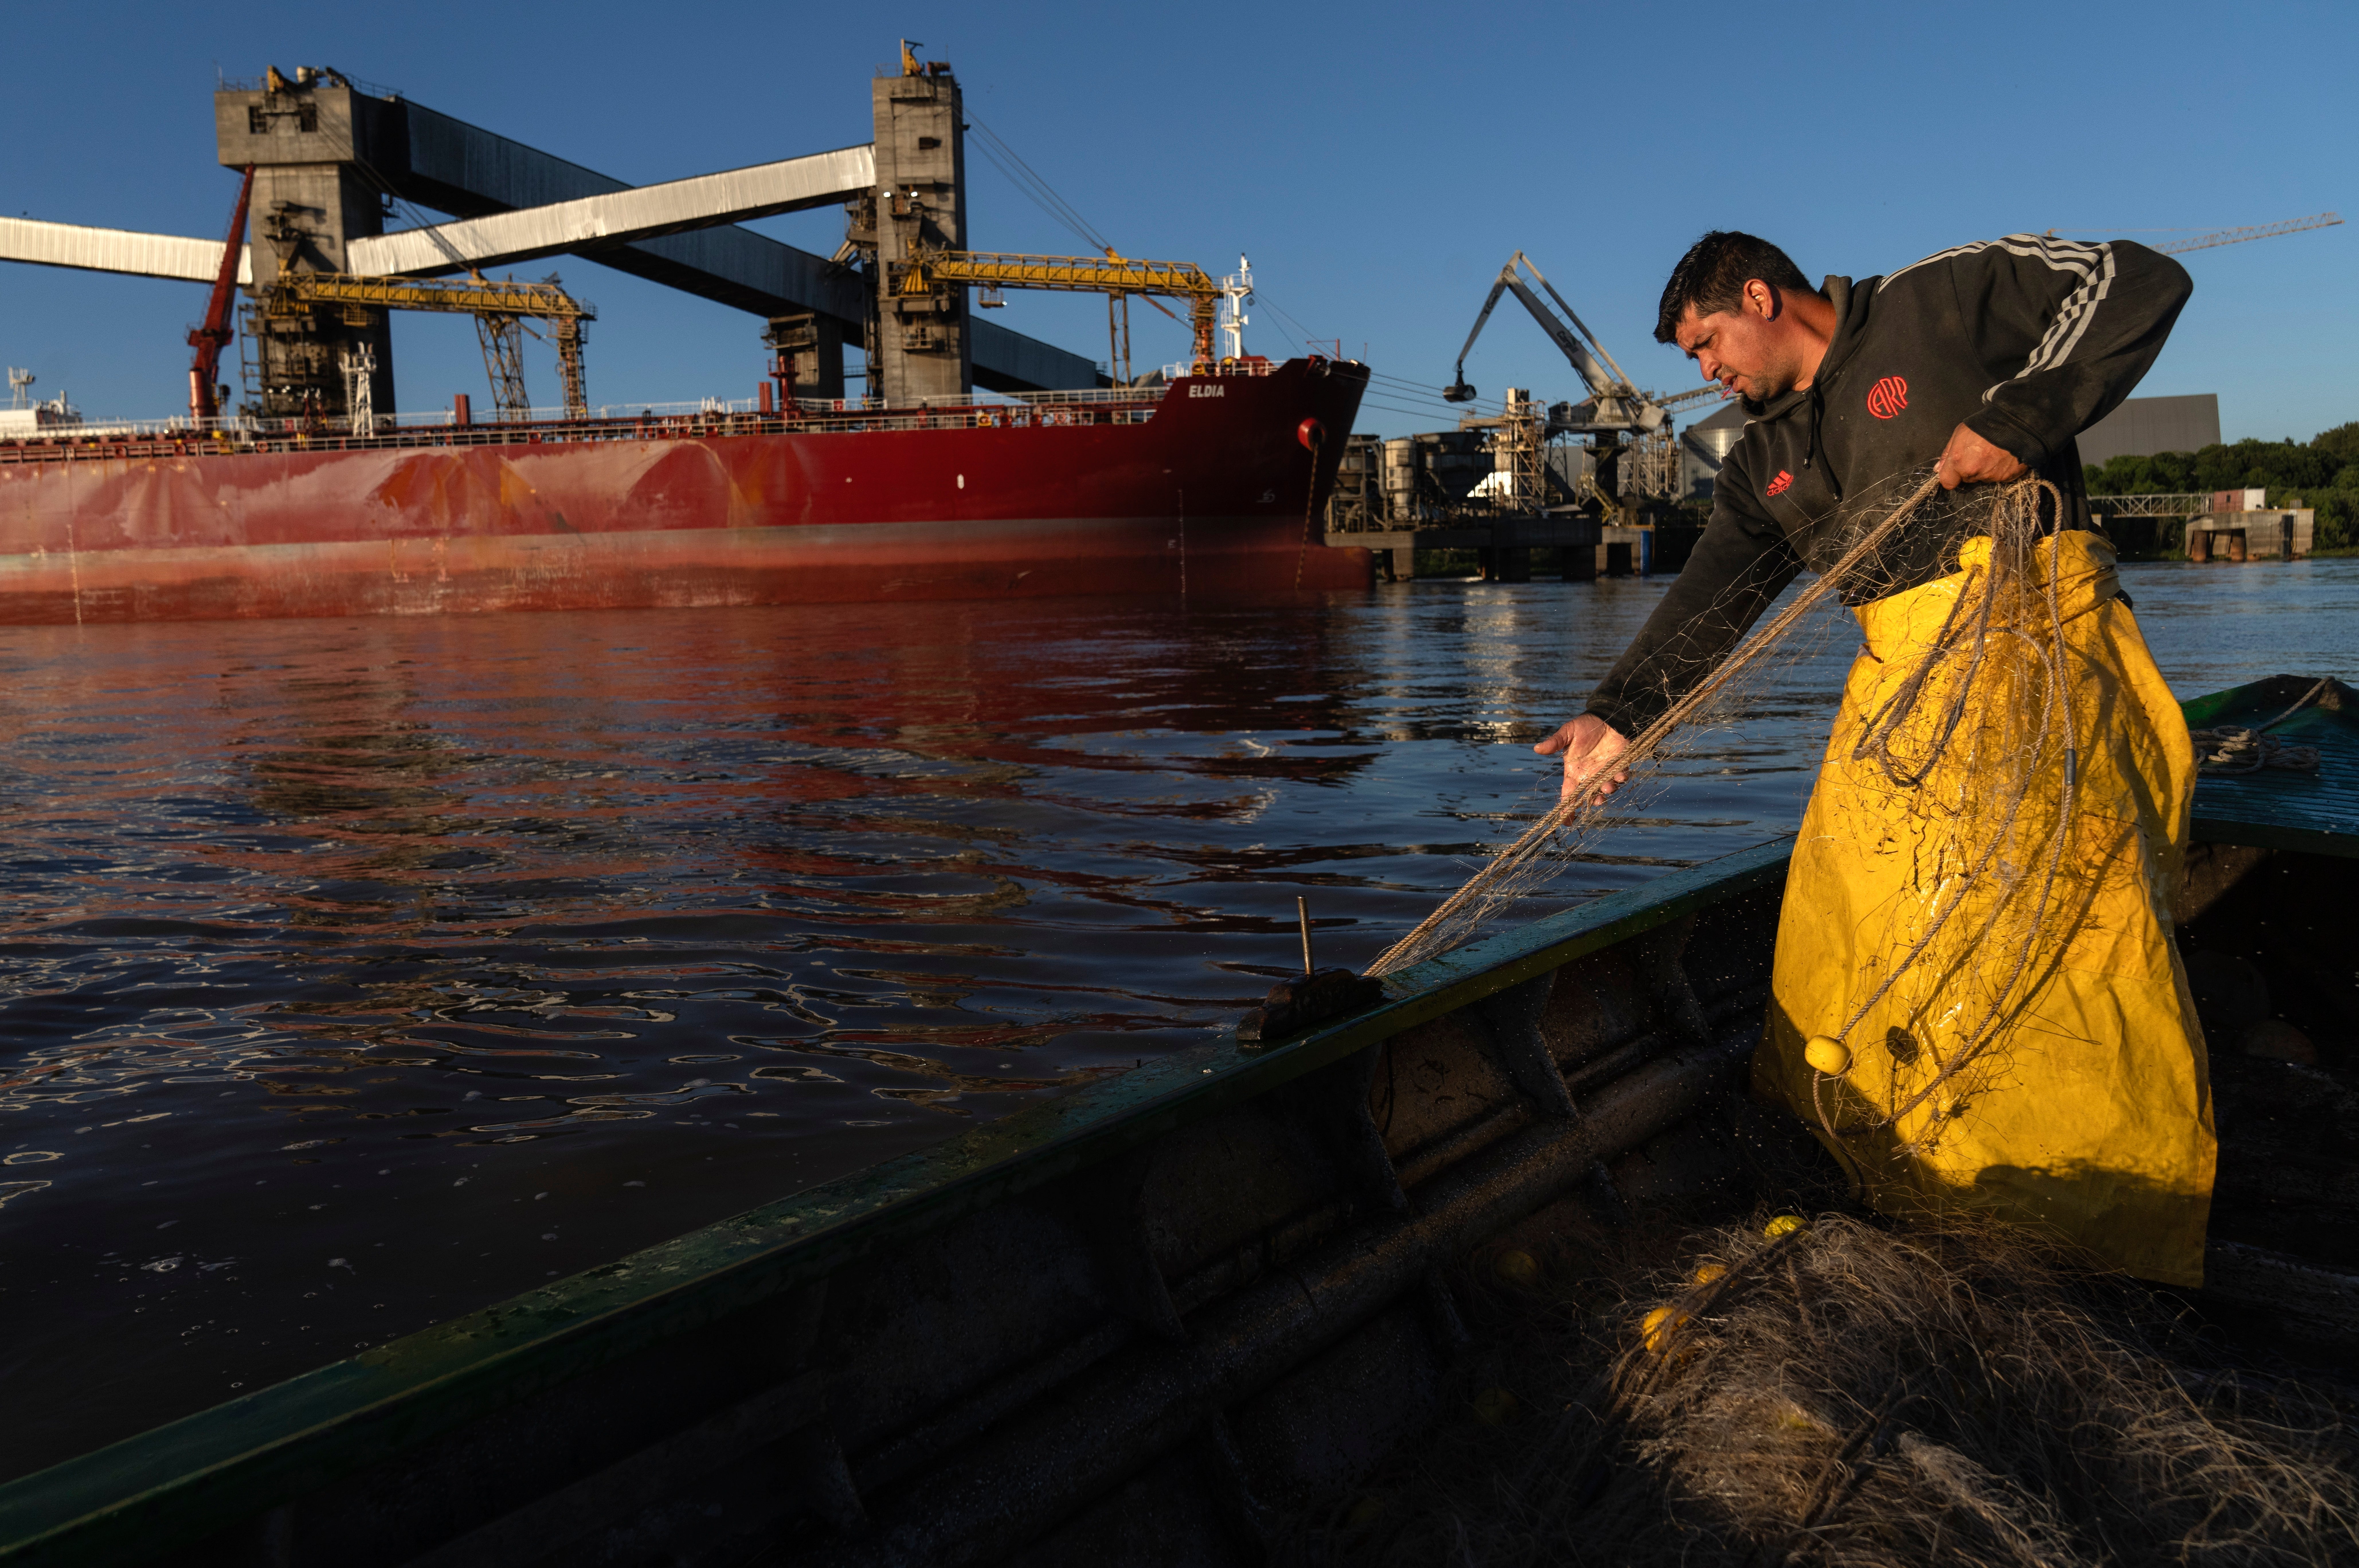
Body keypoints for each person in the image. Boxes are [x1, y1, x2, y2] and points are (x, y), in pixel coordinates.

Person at [1534, 232, 2213, 1285]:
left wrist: (2022, 414)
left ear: (1760, 297)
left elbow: (2133, 276)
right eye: (1693, 359)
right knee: (1840, 924)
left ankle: (2097, 1235)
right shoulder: (1761, 455)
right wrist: (1620, 715)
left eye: (1710, 343)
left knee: (2058, 940)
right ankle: (1902, 1194)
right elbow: (1716, 591)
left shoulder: (1937, 300)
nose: (1707, 371)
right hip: (1902, 694)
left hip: (2036, 656)